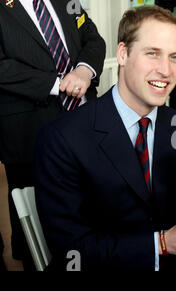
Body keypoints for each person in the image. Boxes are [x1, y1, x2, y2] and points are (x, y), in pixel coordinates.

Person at [34, 6, 176, 271]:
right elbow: (71, 251)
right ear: (122, 54)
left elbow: (173, 215)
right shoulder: (62, 138)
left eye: (175, 57)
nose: (166, 71)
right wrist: (162, 244)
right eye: (152, 54)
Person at [0, 0, 106, 270]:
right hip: (28, 126)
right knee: (33, 209)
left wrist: (84, 70)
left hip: (83, 117)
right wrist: (58, 84)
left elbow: (92, 38)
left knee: (92, 196)